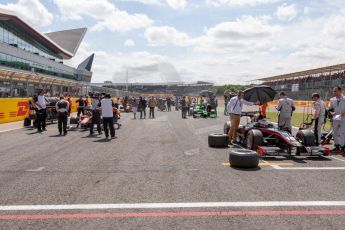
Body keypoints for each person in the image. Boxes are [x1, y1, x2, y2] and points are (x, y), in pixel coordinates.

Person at [329, 86, 345, 153]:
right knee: (334, 132)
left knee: (342, 132)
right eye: (333, 91)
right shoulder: (332, 99)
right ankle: (336, 146)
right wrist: (331, 112)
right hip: (335, 117)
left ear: (340, 91)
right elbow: (330, 109)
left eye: (335, 91)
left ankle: (343, 147)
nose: (334, 92)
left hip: (344, 118)